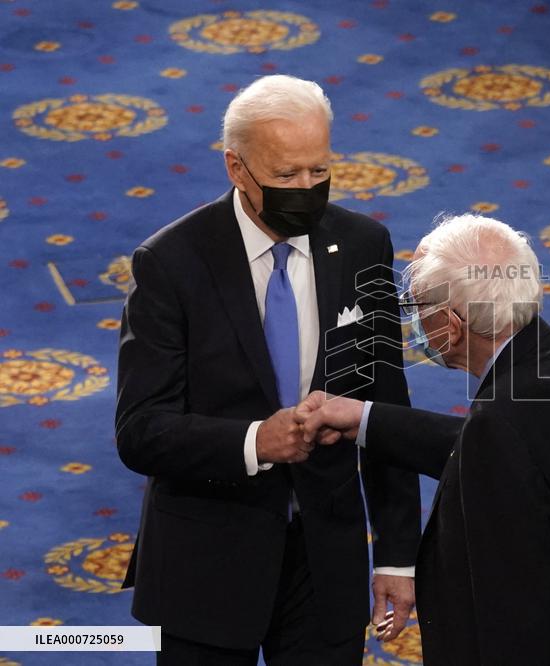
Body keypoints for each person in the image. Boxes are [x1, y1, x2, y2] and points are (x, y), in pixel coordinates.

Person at [115, 74, 421, 665]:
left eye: (318, 171)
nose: (306, 188)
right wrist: (258, 441)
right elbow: (140, 430)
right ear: (237, 168)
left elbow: (387, 407)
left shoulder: (362, 246)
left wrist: (395, 556)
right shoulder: (171, 264)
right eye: (286, 176)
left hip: (325, 560)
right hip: (205, 566)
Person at [294, 214, 550, 665]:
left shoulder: (499, 427)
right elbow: (504, 452)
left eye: (418, 308)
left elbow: (506, 612)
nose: (415, 324)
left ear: (451, 324)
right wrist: (365, 418)